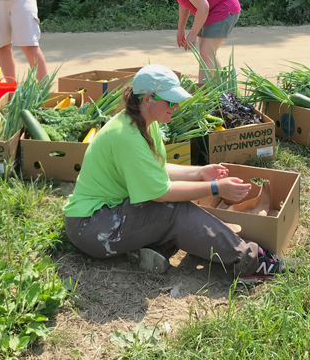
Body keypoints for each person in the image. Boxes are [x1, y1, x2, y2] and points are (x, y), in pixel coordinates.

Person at [63, 64, 285, 283]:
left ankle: (148, 246)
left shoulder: (145, 124)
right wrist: (215, 187)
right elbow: (161, 192)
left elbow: (157, 170)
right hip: (91, 226)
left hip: (110, 210)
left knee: (172, 209)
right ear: (147, 99)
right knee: (174, 210)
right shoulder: (127, 136)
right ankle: (250, 262)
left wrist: (200, 172)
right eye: (170, 101)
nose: (176, 106)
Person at [145, 0, 241, 82]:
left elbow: (203, 7)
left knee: (206, 53)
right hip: (210, 10)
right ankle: (218, 90)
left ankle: (204, 94)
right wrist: (181, 29)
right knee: (208, 54)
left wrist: (192, 34)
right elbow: (183, 2)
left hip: (223, 9)